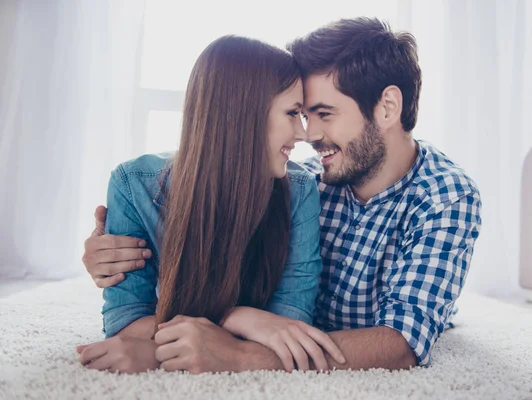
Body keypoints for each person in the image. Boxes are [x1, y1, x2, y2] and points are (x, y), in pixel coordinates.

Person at [82, 17, 482, 372]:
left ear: (388, 107)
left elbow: (401, 342)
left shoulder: (445, 197)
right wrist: (109, 253)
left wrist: (240, 357)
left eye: (323, 114)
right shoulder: (301, 180)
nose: (308, 135)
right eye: (300, 115)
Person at [76, 35, 346, 374]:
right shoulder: (133, 185)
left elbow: (288, 325)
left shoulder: (300, 190)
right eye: (292, 113)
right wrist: (241, 319)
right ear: (243, 114)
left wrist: (157, 348)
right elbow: (125, 322)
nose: (303, 134)